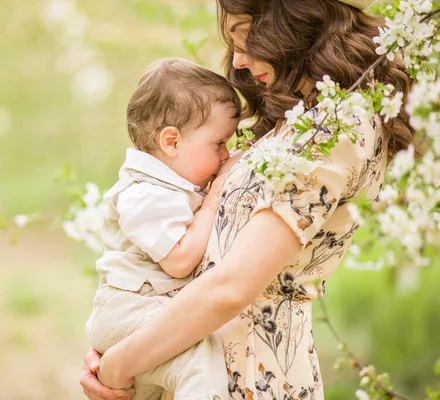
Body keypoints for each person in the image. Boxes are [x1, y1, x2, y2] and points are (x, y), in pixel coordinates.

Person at [80, 0, 416, 399]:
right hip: (189, 361)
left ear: (290, 20)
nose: (238, 60)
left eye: (244, 33)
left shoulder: (338, 127)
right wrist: (131, 336)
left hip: (255, 376)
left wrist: (119, 365)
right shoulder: (297, 120)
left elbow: (232, 286)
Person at [86, 57, 241, 400]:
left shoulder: (169, 187)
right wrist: (216, 197)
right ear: (171, 142)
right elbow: (179, 260)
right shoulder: (144, 193)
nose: (226, 155)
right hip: (130, 310)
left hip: (145, 309)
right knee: (199, 359)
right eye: (219, 143)